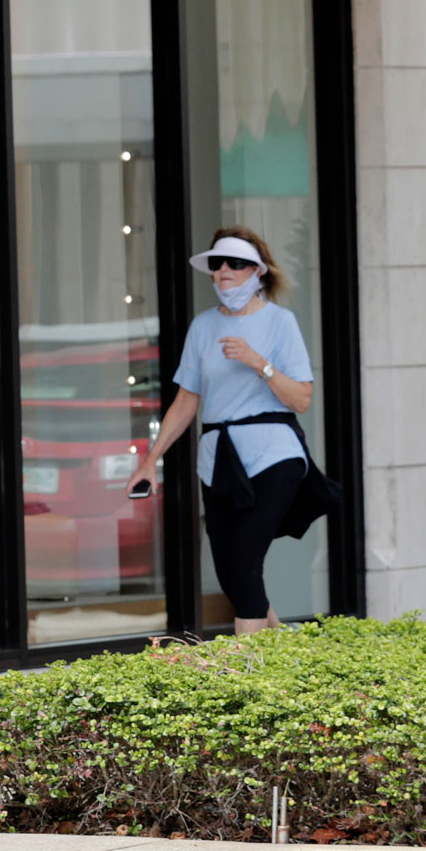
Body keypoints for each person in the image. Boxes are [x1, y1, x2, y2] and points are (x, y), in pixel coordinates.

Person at [126, 228, 317, 633]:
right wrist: (149, 462)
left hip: (273, 454)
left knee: (246, 558)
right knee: (229, 565)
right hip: (219, 460)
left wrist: (257, 362)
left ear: (258, 272)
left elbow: (301, 398)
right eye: (218, 263)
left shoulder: (280, 322)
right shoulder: (202, 327)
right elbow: (186, 401)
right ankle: (278, 640)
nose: (225, 270)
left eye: (236, 263)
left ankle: (247, 666)